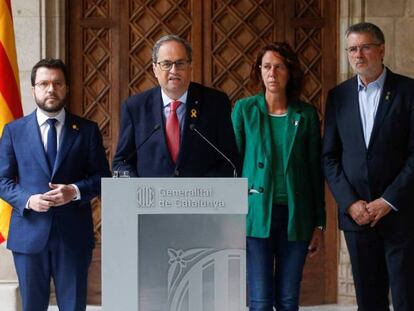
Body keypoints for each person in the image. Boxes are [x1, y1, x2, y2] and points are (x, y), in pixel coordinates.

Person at [0, 58, 111, 311]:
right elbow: (2, 180)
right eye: (44, 83)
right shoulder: (13, 131)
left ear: (66, 87)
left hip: (73, 236)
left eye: (57, 83)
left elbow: (102, 178)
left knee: (73, 307)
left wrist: (74, 191)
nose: (51, 89)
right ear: (34, 89)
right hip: (28, 235)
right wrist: (29, 200)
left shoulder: (86, 130)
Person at [322, 22, 414, 311]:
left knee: (406, 298)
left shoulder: (409, 91)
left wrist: (388, 200)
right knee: (368, 301)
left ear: (381, 49)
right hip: (357, 218)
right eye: (352, 49)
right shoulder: (338, 97)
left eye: (364, 47)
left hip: (401, 215)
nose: (357, 55)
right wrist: (350, 204)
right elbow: (329, 157)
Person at [232, 42, 325, 311]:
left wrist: (319, 224)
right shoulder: (244, 110)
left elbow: (314, 171)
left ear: (290, 72)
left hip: (296, 217)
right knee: (260, 302)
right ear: (259, 72)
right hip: (256, 216)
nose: (272, 73)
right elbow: (232, 165)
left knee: (287, 300)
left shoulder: (305, 114)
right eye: (267, 67)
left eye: (279, 67)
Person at [112, 34, 239, 177]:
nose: (174, 70)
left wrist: (204, 190)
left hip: (201, 197)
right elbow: (121, 163)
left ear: (190, 66)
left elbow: (229, 161)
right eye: (166, 64)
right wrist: (138, 189)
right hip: (150, 197)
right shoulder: (135, 107)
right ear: (155, 69)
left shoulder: (216, 103)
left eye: (180, 63)